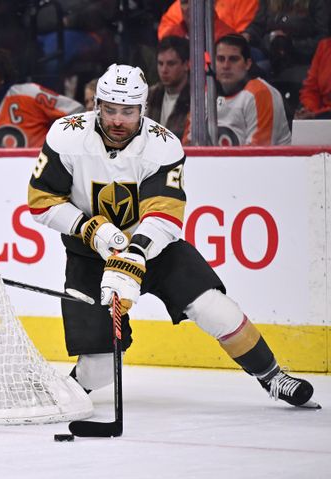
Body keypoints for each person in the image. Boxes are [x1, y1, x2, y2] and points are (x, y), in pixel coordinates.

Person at [27, 63, 317, 408]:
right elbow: (42, 202)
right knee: (100, 369)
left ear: (143, 110)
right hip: (89, 258)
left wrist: (133, 255)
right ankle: (72, 390)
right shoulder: (66, 136)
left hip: (156, 252)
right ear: (97, 106)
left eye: (128, 111)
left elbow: (163, 215)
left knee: (216, 308)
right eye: (110, 110)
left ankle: (272, 376)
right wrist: (94, 230)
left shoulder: (163, 146)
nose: (118, 120)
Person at [0, 42, 85, 148]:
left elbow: (77, 112)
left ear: (1, 77)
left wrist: (60, 148)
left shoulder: (28, 94)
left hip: (40, 174)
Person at [213, 33, 291, 145]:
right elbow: (189, 143)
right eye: (220, 59)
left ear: (248, 64)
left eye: (233, 59)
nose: (226, 66)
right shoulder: (205, 93)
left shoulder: (261, 93)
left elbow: (258, 154)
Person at [146, 36, 190, 141]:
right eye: (160, 63)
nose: (164, 70)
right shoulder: (150, 95)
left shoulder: (196, 99)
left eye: (171, 64)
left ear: (186, 65)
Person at [296, 37, 331, 119]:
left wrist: (317, 114)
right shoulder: (324, 46)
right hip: (320, 119)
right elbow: (311, 89)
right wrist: (309, 109)